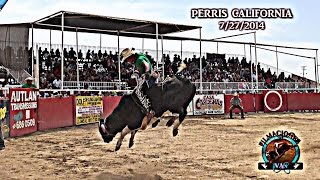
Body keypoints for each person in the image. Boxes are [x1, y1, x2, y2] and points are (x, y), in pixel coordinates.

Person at [120, 48, 159, 129]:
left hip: (149, 79)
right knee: (136, 93)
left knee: (138, 91)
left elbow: (146, 65)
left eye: (127, 60)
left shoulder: (139, 59)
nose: (128, 62)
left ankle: (149, 112)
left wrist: (147, 72)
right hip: (150, 78)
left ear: (130, 57)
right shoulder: (139, 57)